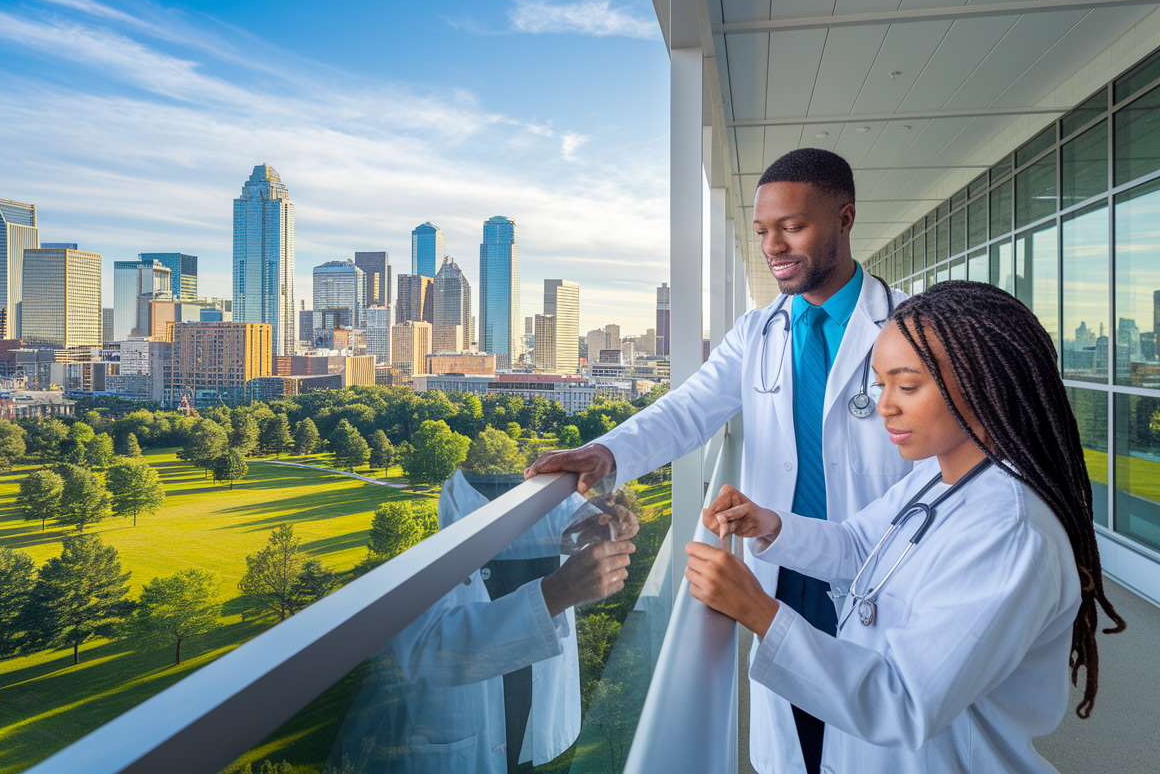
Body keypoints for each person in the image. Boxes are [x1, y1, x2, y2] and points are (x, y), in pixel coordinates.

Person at [527, 147, 911, 774]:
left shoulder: (911, 325)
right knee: (799, 741)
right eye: (762, 231)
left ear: (844, 219)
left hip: (882, 565)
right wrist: (605, 452)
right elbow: (688, 410)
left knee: (878, 732)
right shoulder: (758, 331)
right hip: (781, 564)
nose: (773, 246)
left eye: (793, 226)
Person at [687, 281, 1127, 772]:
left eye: (907, 385)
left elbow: (903, 701)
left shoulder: (1009, 532)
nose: (883, 406)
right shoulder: (938, 475)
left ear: (984, 382)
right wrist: (766, 523)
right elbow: (858, 545)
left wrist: (756, 610)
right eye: (880, 384)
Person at [327, 470, 636, 774]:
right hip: (448, 717)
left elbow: (529, 527)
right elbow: (422, 648)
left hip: (524, 694)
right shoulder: (441, 517)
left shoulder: (545, 489)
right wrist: (556, 593)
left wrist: (587, 523)